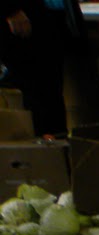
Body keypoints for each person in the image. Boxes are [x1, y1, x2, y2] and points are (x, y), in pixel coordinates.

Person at [1, 0, 80, 136]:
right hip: (24, 21)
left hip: (52, 17)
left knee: (52, 96)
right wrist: (11, 9)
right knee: (34, 99)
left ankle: (57, 148)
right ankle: (41, 151)